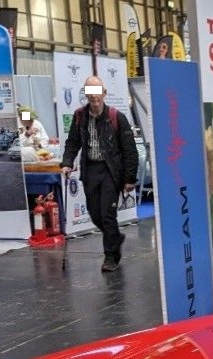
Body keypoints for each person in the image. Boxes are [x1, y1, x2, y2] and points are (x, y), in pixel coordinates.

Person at [60, 76, 138, 272]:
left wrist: (129, 179)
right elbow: (72, 143)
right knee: (95, 214)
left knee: (107, 215)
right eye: (90, 92)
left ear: (104, 93)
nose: (94, 97)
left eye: (97, 92)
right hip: (91, 170)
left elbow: (130, 150)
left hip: (111, 172)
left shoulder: (116, 117)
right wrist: (67, 163)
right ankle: (115, 237)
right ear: (86, 94)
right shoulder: (80, 116)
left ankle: (110, 256)